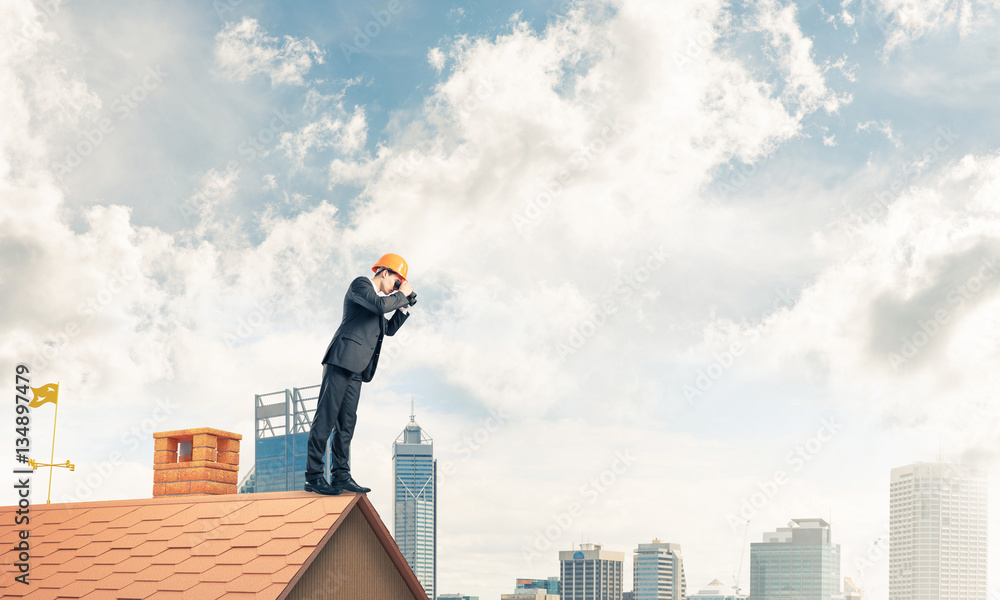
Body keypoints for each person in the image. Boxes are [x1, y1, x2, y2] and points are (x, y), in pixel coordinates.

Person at [304, 253, 417, 495]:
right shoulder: (361, 285)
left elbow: (387, 329)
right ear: (384, 272)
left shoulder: (376, 304)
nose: (396, 288)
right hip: (341, 360)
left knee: (347, 424)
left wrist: (403, 307)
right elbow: (379, 305)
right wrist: (401, 294)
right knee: (325, 418)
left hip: (358, 368)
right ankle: (313, 477)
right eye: (397, 281)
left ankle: (340, 475)